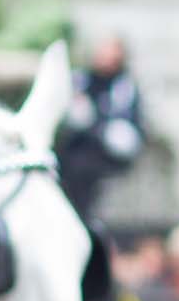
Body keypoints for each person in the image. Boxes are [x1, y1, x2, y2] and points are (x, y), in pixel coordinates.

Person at [54, 35, 146, 226]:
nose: (103, 58)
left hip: (105, 156)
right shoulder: (81, 80)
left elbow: (126, 134)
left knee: (85, 169)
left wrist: (98, 125)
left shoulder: (124, 88)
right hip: (76, 149)